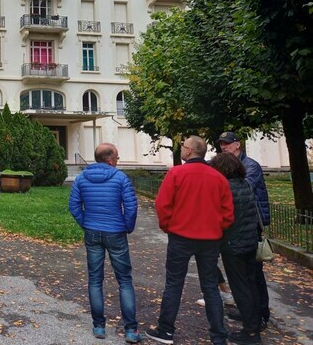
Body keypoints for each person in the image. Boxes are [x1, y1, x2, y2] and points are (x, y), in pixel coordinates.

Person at [146, 136, 234, 345]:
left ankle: (166, 330)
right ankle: (218, 336)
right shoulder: (218, 177)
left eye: (184, 146)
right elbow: (228, 213)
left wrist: (168, 226)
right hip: (210, 239)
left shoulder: (177, 173)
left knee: (174, 284)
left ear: (190, 151)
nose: (182, 149)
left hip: (181, 237)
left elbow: (163, 204)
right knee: (210, 286)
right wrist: (216, 227)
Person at [69, 143, 141, 343]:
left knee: (94, 280)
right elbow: (131, 206)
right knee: (124, 280)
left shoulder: (82, 178)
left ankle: (99, 326)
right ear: (110, 160)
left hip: (93, 232)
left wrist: (86, 223)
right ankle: (130, 329)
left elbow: (74, 206)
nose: (118, 161)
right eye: (117, 158)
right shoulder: (120, 178)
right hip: (116, 232)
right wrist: (127, 226)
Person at [218, 132, 271, 329]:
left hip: (251, 224)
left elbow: (243, 186)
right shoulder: (230, 167)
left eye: (228, 144)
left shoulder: (250, 165)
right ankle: (247, 310)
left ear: (238, 145)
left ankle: (261, 314)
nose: (224, 147)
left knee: (254, 274)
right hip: (241, 223)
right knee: (245, 275)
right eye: (222, 144)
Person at [210, 153, 262, 345]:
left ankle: (251, 334)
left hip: (234, 244)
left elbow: (222, 217)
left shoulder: (225, 188)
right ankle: (254, 325)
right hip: (249, 241)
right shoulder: (244, 184)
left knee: (241, 288)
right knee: (250, 284)